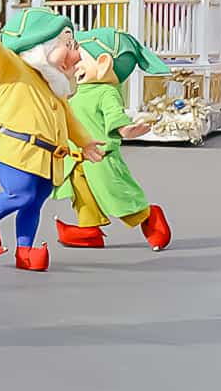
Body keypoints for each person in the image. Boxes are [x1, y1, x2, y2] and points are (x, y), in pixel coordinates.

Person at [0, 4, 104, 271]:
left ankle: (25, 251)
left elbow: (68, 118)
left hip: (45, 157)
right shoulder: (15, 67)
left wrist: (85, 142)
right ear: (42, 45)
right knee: (21, 194)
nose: (75, 55)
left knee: (35, 201)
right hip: (13, 148)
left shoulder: (54, 86)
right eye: (67, 44)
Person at [54, 28, 173, 252]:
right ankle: (89, 230)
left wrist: (126, 129)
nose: (76, 66)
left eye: (81, 60)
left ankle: (148, 217)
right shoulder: (82, 91)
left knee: (117, 194)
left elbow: (114, 115)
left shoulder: (106, 92)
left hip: (101, 159)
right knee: (83, 196)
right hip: (77, 158)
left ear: (103, 63)